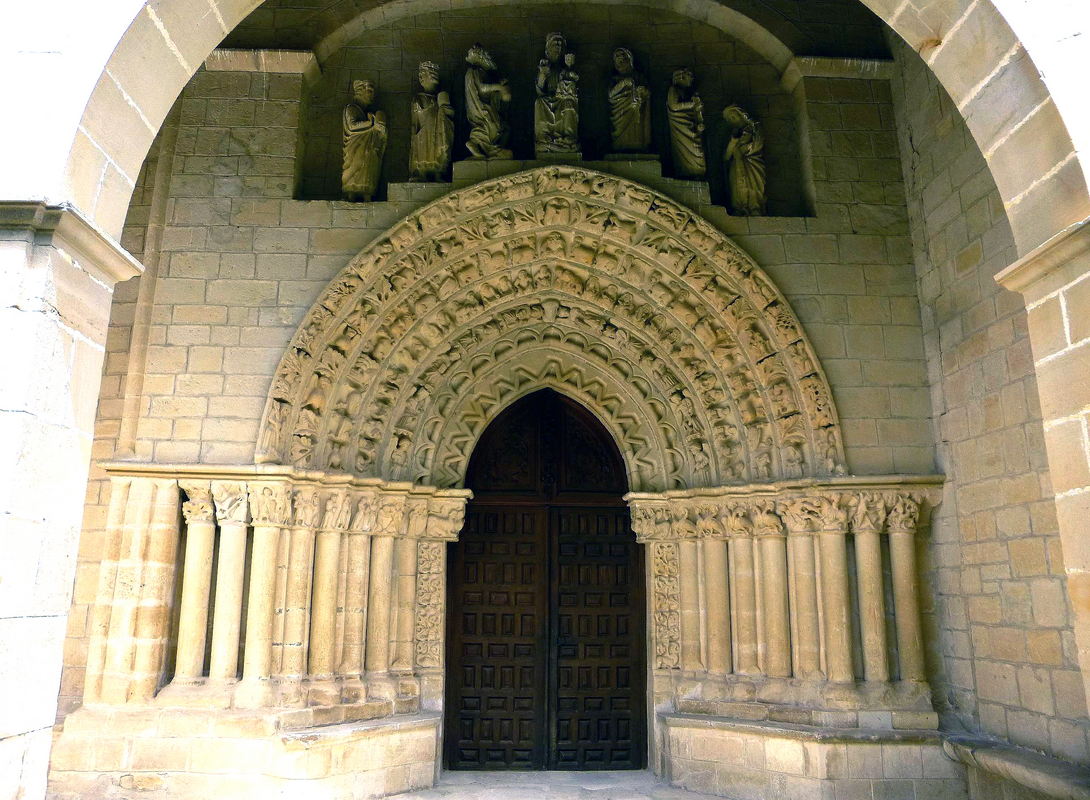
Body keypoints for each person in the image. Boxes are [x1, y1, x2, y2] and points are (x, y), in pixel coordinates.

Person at [465, 44, 512, 159]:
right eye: (487, 55)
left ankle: (494, 149)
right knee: (492, 127)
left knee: (504, 128)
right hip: (480, 108)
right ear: (481, 57)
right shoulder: (474, 71)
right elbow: (481, 88)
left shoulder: (486, 75)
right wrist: (498, 86)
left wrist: (501, 89)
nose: (490, 58)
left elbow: (499, 97)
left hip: (489, 107)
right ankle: (475, 143)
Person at [342, 79, 386, 201]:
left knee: (367, 167)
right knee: (354, 167)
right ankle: (351, 194)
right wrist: (372, 124)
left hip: (367, 148)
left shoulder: (368, 113)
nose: (372, 95)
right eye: (370, 90)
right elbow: (352, 126)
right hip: (354, 147)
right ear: (359, 92)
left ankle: (367, 193)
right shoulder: (351, 108)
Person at [409, 61, 454, 182]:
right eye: (420, 74)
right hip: (423, 131)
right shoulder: (419, 97)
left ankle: (438, 173)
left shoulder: (440, 96)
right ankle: (422, 172)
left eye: (424, 73)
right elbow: (416, 116)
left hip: (438, 128)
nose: (421, 77)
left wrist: (443, 108)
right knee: (423, 151)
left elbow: (449, 114)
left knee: (439, 148)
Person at [723, 105, 767, 215]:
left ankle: (754, 207)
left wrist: (746, 148)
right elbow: (726, 156)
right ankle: (739, 208)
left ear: (742, 114)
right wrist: (733, 141)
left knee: (753, 185)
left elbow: (758, 142)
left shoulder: (753, 128)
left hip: (752, 161)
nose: (734, 119)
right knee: (737, 188)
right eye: (731, 118)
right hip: (737, 163)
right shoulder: (733, 134)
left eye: (735, 115)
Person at [608, 47, 650, 152]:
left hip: (636, 110)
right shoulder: (614, 79)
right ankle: (620, 144)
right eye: (618, 62)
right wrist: (624, 83)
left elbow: (648, 93)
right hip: (620, 111)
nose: (621, 64)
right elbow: (610, 94)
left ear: (630, 61)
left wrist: (643, 92)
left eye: (624, 60)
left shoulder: (639, 77)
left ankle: (639, 146)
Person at [666, 68, 705, 178]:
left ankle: (696, 171)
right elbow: (674, 106)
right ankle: (688, 172)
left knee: (699, 153)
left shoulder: (686, 93)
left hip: (690, 126)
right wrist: (692, 104)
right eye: (689, 76)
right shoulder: (673, 90)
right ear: (681, 77)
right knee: (688, 151)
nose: (691, 79)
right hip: (681, 127)